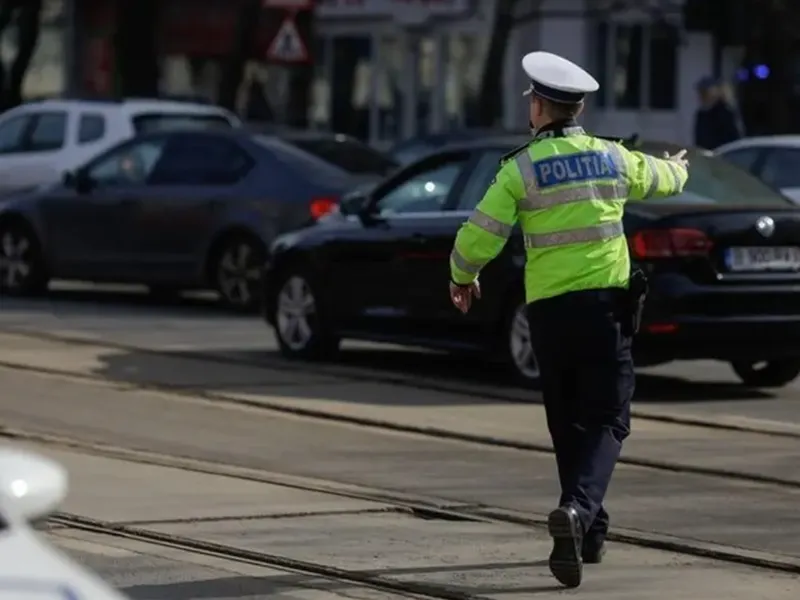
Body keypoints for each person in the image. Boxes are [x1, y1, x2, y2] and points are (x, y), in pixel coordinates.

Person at [448, 51, 689, 589]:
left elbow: (479, 233)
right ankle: (578, 512)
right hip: (606, 309)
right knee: (608, 417)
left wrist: (462, 277)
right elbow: (663, 178)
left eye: (531, 101)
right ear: (577, 108)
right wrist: (681, 167)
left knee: (567, 419)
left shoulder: (520, 168)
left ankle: (587, 530)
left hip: (550, 314)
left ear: (540, 108)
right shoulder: (613, 157)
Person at [694, 76, 742, 150]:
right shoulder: (701, 114)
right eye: (701, 92)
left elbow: (733, 138)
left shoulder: (725, 112)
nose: (701, 96)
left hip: (723, 153)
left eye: (705, 92)